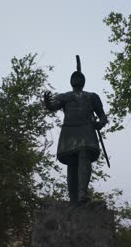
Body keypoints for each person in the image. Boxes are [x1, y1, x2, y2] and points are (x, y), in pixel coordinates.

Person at [44, 69, 108, 205]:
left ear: (83, 81)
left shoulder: (92, 96)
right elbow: (53, 106)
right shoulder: (64, 96)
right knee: (72, 162)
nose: (76, 79)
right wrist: (47, 103)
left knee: (84, 155)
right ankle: (73, 199)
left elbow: (103, 116)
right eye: (74, 78)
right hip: (69, 131)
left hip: (86, 129)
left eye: (79, 78)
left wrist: (100, 123)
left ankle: (82, 193)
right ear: (70, 81)